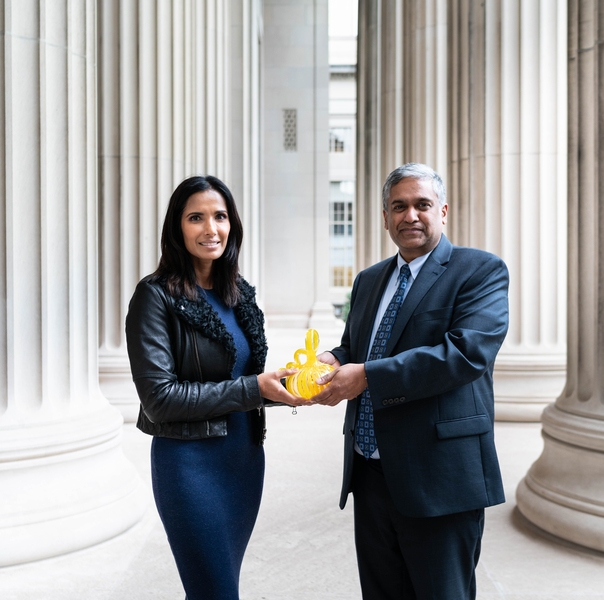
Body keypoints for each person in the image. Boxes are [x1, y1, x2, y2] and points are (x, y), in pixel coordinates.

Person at [311, 163, 509, 599]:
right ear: (385, 217)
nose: (410, 216)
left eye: (422, 205)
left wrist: (365, 376)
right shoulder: (367, 281)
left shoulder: (479, 271)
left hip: (438, 475)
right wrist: (329, 360)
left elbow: (463, 354)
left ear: (443, 212)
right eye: (398, 207)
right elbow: (355, 348)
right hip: (370, 471)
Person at [125, 175, 303, 600]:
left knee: (218, 587)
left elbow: (249, 381)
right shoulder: (155, 297)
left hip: (243, 462)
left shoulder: (240, 294)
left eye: (220, 216)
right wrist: (254, 389)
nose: (211, 229)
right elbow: (159, 400)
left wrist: (298, 385)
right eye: (196, 218)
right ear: (177, 227)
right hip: (189, 466)